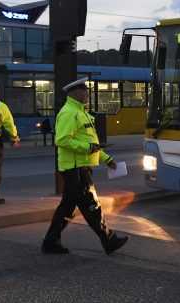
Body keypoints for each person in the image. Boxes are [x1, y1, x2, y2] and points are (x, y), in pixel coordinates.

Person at [42, 77, 128, 255]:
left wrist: (107, 159)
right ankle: (108, 239)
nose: (87, 94)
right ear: (75, 93)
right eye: (84, 91)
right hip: (75, 168)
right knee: (91, 205)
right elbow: (62, 140)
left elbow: (91, 143)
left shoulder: (81, 113)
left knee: (68, 207)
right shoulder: (69, 113)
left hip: (80, 166)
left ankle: (50, 241)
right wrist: (87, 148)